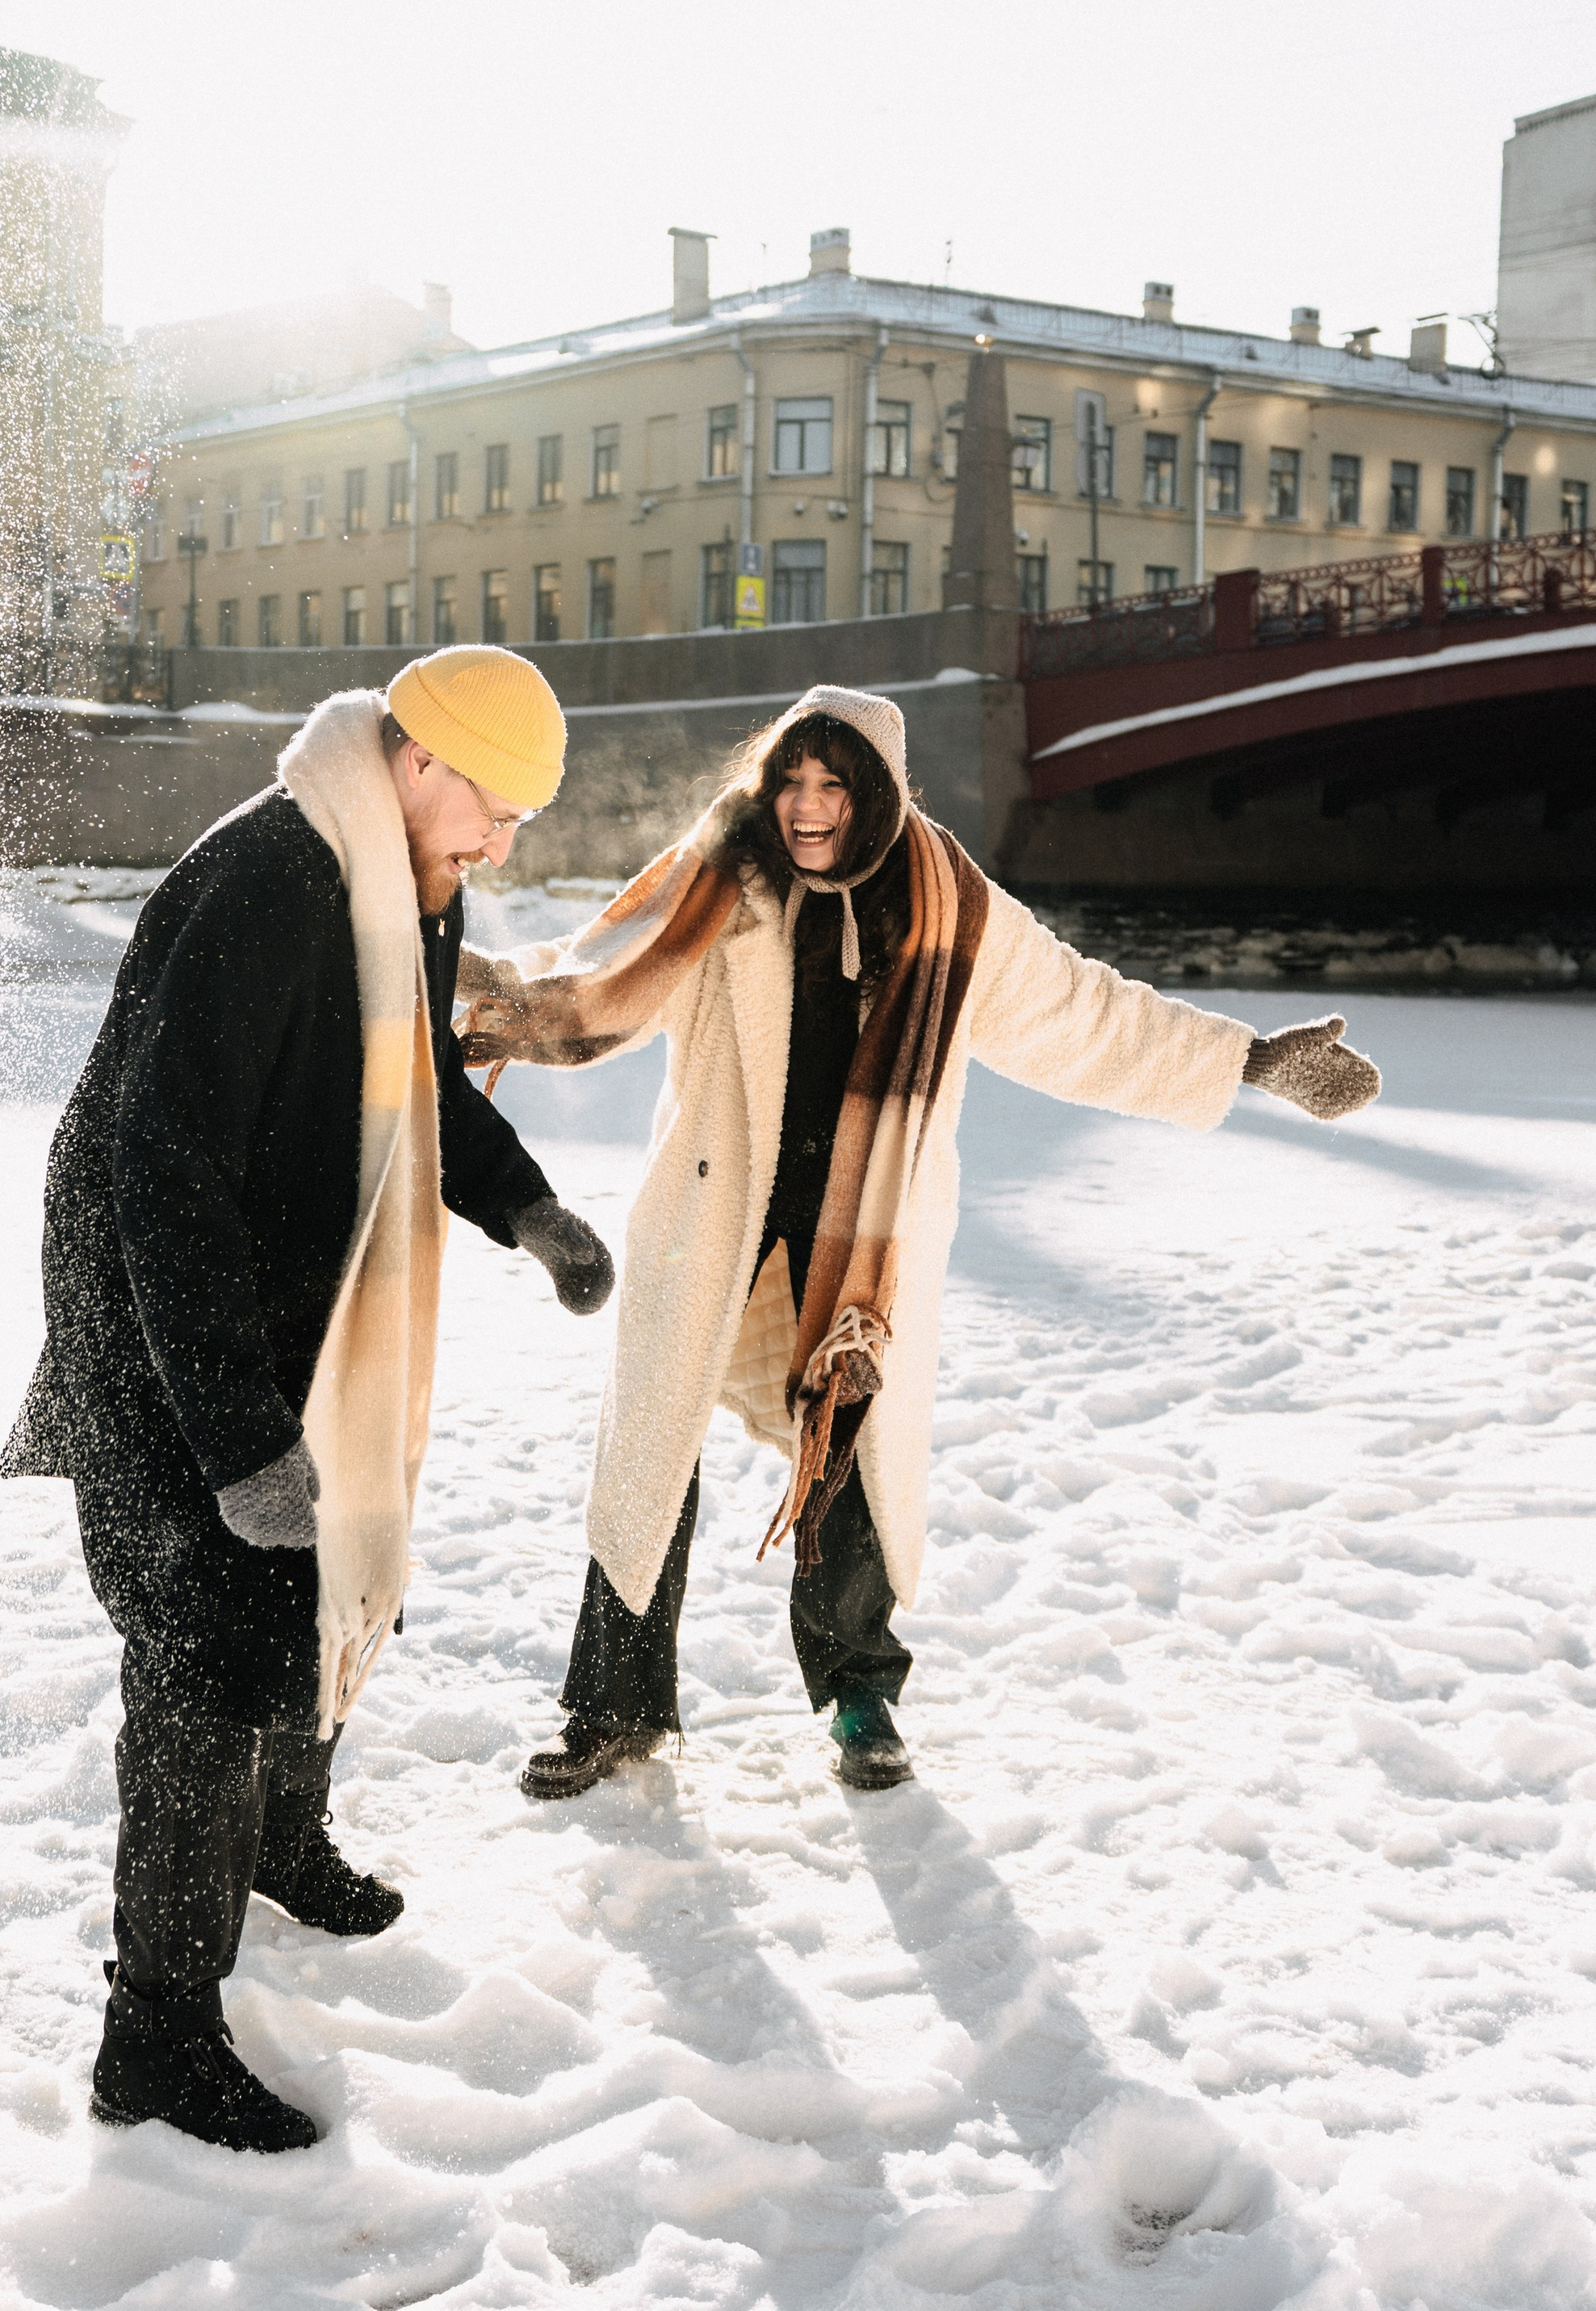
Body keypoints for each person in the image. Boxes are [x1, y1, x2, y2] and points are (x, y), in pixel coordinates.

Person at [459, 682, 1378, 1803]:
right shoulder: (723, 868)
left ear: (880, 794)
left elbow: (1084, 1014)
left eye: (833, 786)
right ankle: (611, 1706)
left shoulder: (952, 903)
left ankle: (860, 1694)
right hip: (715, 1210)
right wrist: (494, 1000)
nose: (804, 807)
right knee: (653, 1450)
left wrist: (1244, 1061)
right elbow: (609, 965)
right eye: (791, 780)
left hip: (868, 1229)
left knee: (849, 1446)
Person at [0, 645, 614, 2153]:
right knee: (201, 1668)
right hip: (165, 1337)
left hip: (301, 1315)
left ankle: (284, 1836)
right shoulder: (269, 883)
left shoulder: (399, 870)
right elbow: (157, 1174)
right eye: (495, 808)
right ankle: (153, 2040)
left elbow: (406, 1073)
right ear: (418, 759)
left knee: (321, 1584)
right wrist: (235, 1435)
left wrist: (527, 1209)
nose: (501, 844)